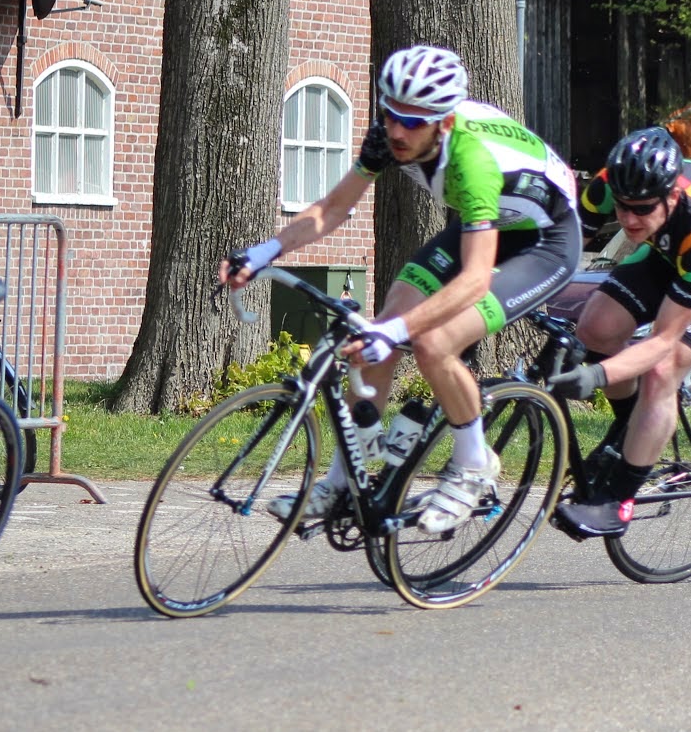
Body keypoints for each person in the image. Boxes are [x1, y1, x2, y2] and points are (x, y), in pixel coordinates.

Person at [223, 45, 580, 536]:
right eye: (391, 114)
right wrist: (265, 251)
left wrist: (396, 332)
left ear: (444, 123)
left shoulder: (472, 161)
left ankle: (474, 462)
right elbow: (333, 208)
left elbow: (475, 280)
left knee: (433, 342)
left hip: (545, 242)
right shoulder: (388, 136)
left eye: (412, 122)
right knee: (378, 333)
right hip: (491, 223)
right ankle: (342, 483)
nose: (397, 131)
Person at [546, 128, 691, 538]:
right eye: (622, 208)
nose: (628, 219)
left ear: (671, 196)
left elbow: (661, 342)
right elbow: (558, 250)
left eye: (641, 209)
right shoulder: (612, 183)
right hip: (667, 247)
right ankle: (630, 429)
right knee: (595, 327)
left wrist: (597, 375)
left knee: (663, 370)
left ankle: (616, 501)